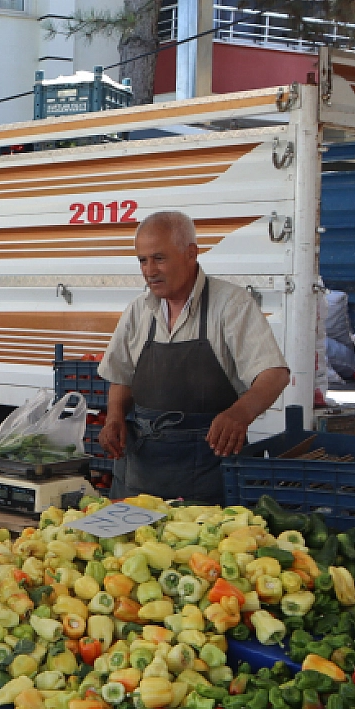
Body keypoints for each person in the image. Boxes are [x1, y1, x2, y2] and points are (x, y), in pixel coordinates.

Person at [98, 210, 291, 504]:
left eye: (159, 258)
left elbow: (274, 374)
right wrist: (114, 417)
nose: (150, 270)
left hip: (209, 472)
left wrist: (240, 414)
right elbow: (121, 377)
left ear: (191, 253)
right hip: (142, 473)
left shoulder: (231, 304)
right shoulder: (138, 310)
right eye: (143, 260)